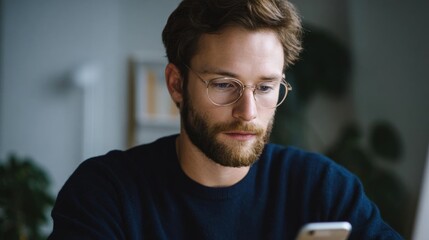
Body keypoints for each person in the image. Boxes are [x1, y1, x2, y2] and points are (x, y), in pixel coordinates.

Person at [48, 0, 403, 239]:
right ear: (176, 84)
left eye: (265, 87)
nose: (247, 112)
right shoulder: (104, 195)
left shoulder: (324, 189)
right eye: (223, 84)